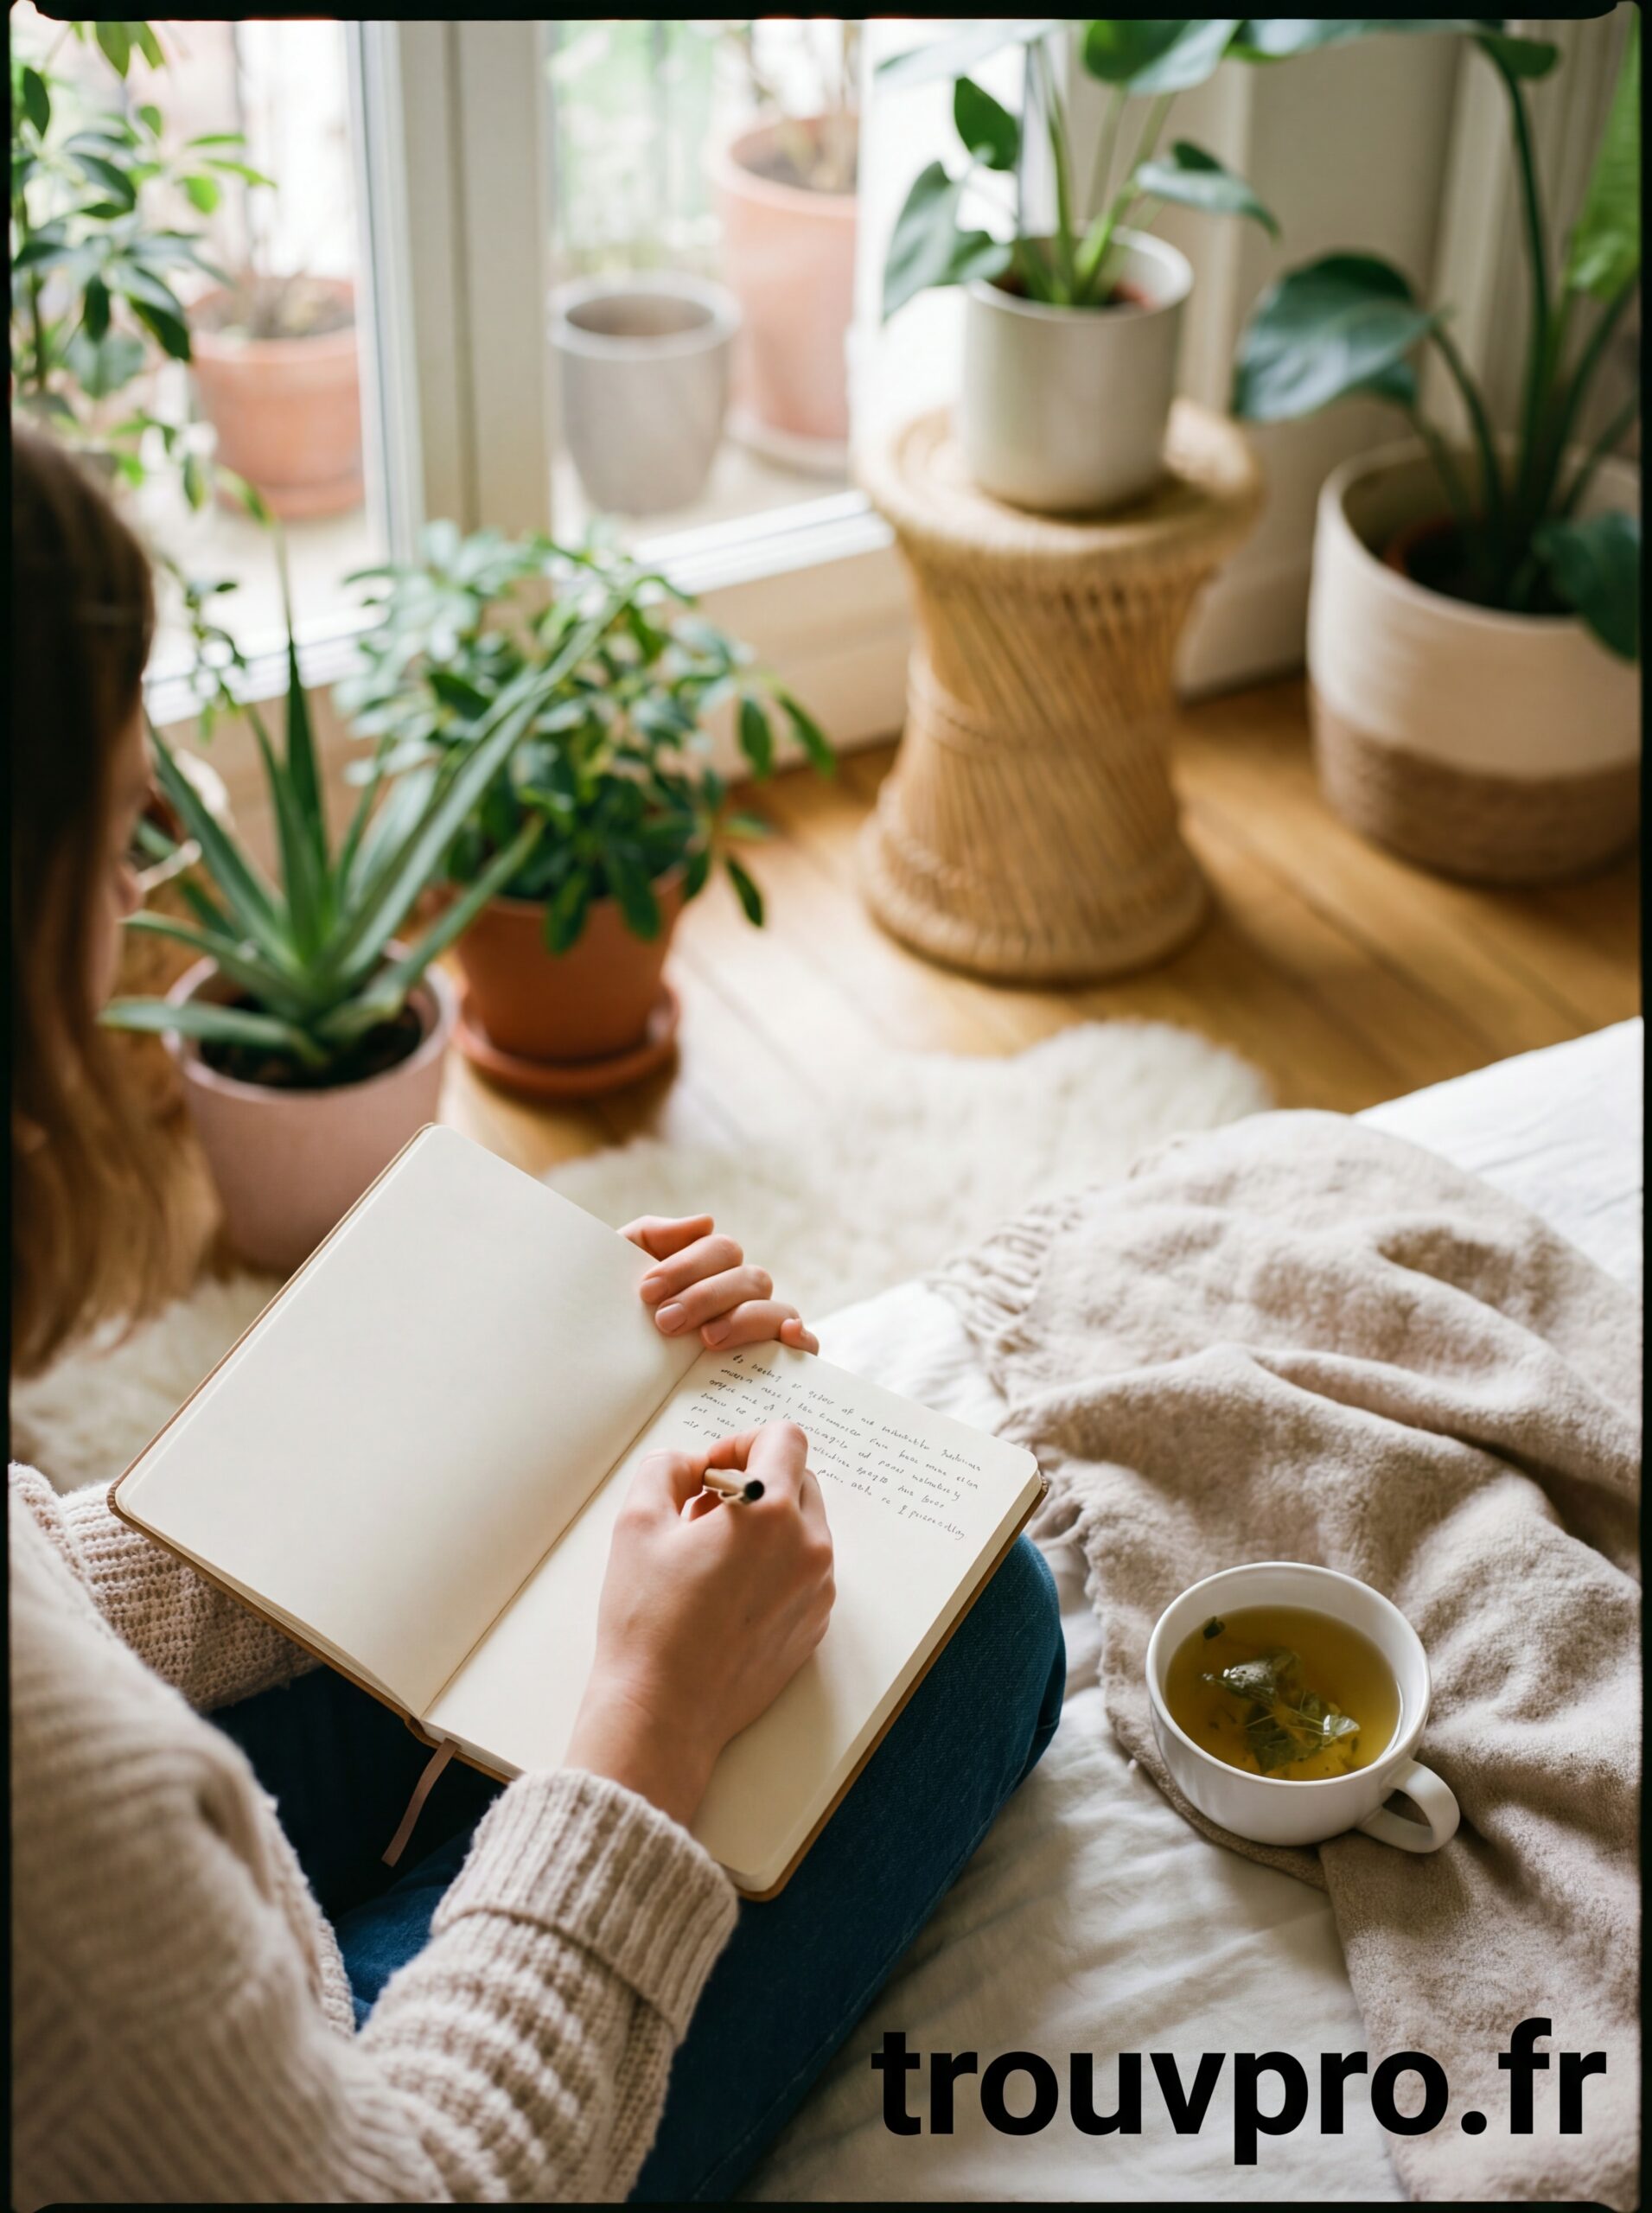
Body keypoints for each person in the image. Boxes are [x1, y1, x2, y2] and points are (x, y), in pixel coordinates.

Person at [9, 424, 1065, 2206]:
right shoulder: (70, 1836)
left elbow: (46, 1600)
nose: (143, 892)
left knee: (526, 1590)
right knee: (966, 1621)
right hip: (340, 2120)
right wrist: (643, 1721)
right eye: (119, 827)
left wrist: (502, 1451)